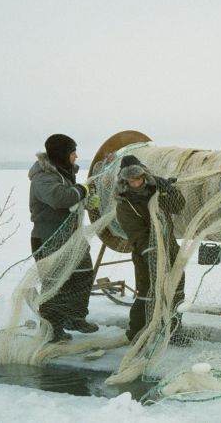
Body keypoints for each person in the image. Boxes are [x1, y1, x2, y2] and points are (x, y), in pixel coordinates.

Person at [28, 134, 98, 343]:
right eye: (72, 151)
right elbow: (59, 198)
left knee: (82, 274)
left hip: (72, 236)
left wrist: (85, 201)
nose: (76, 155)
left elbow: (70, 199)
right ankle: (52, 329)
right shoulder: (43, 176)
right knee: (54, 285)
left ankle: (75, 317)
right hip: (49, 238)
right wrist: (82, 190)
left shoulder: (63, 173)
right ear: (62, 153)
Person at [114, 155, 186, 342]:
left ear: (144, 174)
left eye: (139, 178)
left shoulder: (155, 188)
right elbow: (137, 234)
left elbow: (179, 206)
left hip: (169, 246)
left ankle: (174, 330)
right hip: (146, 253)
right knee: (148, 291)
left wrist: (168, 191)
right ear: (124, 180)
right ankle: (137, 333)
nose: (136, 183)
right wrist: (151, 255)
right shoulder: (124, 204)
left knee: (176, 288)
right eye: (131, 180)